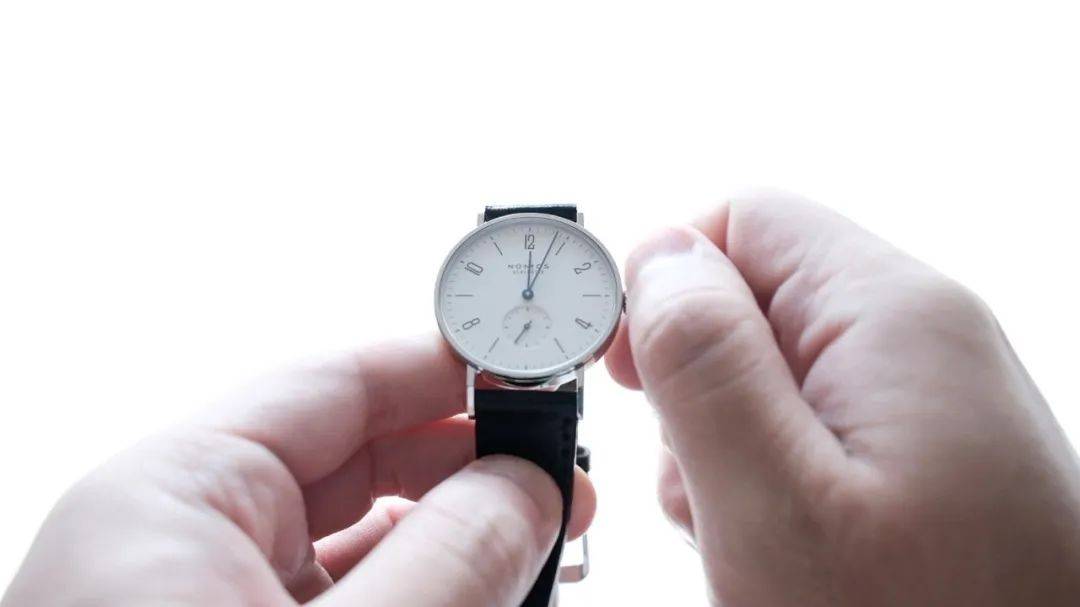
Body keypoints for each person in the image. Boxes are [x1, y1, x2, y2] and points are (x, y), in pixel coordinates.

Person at [3, 191, 1078, 606]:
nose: (526, 289)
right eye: (512, 280)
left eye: (550, 283)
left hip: (535, 389)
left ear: (601, 306)